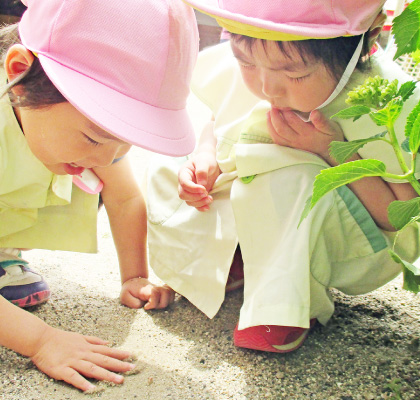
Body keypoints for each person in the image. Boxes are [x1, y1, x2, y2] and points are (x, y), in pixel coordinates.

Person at [146, 0, 420, 354]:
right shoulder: (266, 60)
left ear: (364, 46)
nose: (268, 87)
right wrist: (204, 155)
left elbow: (398, 216)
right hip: (261, 199)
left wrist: (333, 150)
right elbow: (222, 117)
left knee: (292, 178)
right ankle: (233, 258)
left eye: (295, 75)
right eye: (245, 61)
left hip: (352, 237)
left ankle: (285, 304)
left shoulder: (386, 101)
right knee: (169, 166)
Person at [0, 0, 198, 391]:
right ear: (19, 73)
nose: (106, 159)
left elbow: (124, 198)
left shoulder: (80, 125)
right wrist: (41, 340)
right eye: (95, 137)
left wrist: (134, 276)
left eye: (122, 145)